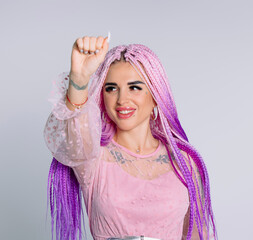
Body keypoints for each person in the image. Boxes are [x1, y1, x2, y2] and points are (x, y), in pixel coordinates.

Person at [43, 34, 217, 240]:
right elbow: (74, 133)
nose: (122, 99)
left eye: (134, 87)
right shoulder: (92, 156)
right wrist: (79, 81)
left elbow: (199, 234)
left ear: (155, 96)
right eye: (111, 88)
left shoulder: (185, 163)